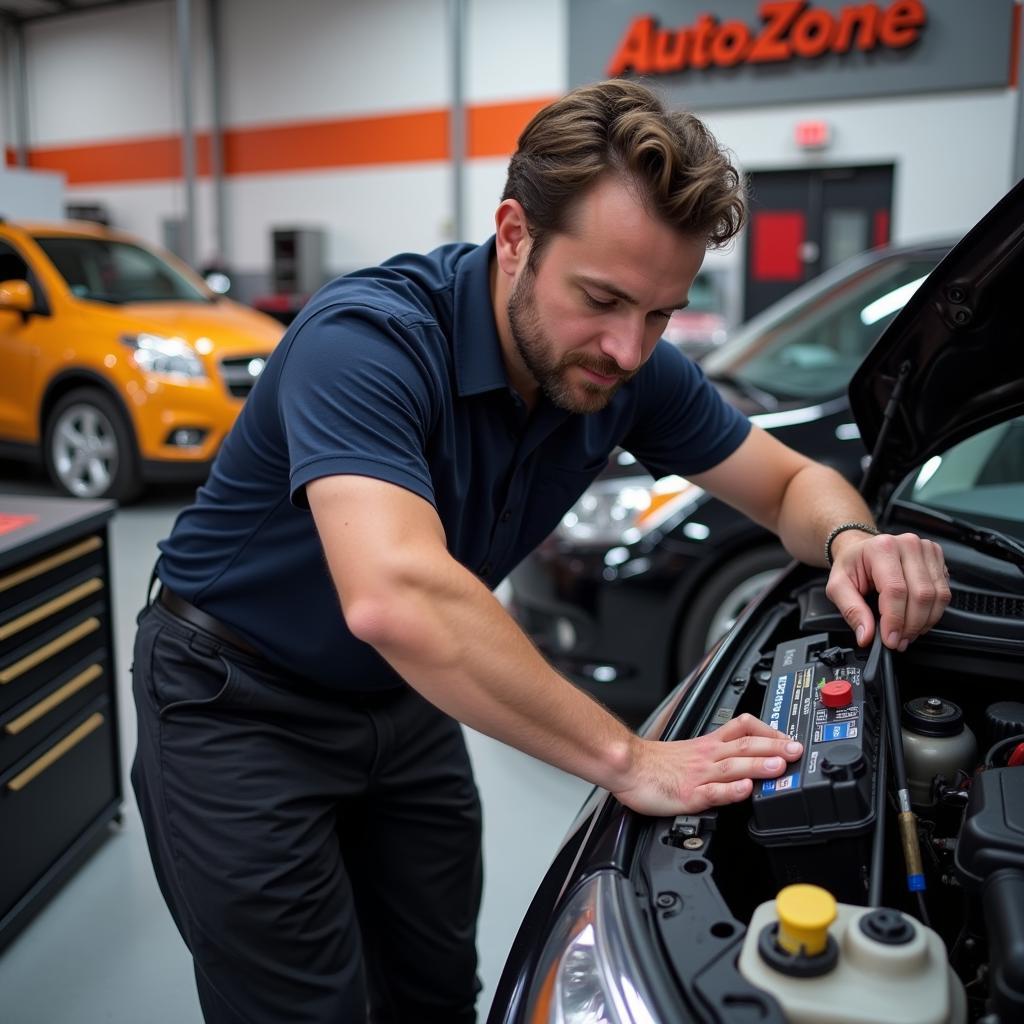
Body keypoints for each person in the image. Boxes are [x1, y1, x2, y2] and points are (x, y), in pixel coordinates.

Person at [131, 79, 951, 1023]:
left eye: (660, 313)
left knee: (438, 989)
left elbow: (787, 483)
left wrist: (853, 537)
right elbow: (395, 593)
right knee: (307, 1009)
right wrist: (630, 758)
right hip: (237, 704)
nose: (630, 350)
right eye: (602, 299)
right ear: (515, 233)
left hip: (402, 699)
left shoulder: (625, 368)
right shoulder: (367, 341)